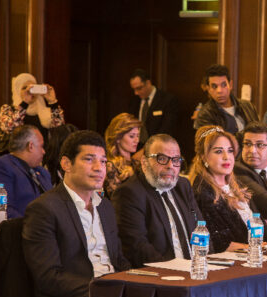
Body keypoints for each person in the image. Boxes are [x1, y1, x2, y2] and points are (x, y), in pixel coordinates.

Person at [23, 130, 130, 297]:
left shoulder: (105, 207)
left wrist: (137, 281)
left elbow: (118, 260)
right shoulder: (45, 209)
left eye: (103, 161)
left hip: (111, 296)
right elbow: (49, 277)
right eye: (89, 160)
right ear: (66, 164)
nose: (99, 168)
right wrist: (104, 289)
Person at [112, 134, 203, 267]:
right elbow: (137, 247)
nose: (170, 166)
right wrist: (173, 270)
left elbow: (200, 228)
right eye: (162, 159)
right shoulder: (130, 193)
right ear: (144, 162)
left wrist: (206, 262)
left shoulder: (183, 186)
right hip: (162, 273)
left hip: (195, 269)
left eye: (176, 160)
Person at [188, 126, 255, 252]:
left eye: (230, 151)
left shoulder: (235, 184)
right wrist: (259, 247)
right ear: (204, 157)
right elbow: (219, 244)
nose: (226, 157)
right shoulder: (202, 192)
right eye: (218, 151)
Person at [0, 125, 52, 218]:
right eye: (41, 146)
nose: (43, 151)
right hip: (24, 224)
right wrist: (32, 225)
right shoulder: (0, 168)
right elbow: (2, 209)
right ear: (30, 146)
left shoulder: (41, 171)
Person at [0, 73, 64, 154]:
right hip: (18, 157)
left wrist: (52, 102)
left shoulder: (44, 110)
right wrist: (25, 103)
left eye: (32, 87)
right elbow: (10, 128)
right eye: (24, 88)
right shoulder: (8, 109)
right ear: (17, 90)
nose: (29, 91)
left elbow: (60, 128)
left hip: (42, 156)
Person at [194, 64, 259, 133]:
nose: (219, 91)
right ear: (208, 89)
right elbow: (214, 139)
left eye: (223, 85)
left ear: (230, 85)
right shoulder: (205, 115)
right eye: (214, 86)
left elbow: (259, 131)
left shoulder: (247, 106)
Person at [128, 69, 179, 143]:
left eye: (139, 88)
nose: (136, 93)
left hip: (157, 144)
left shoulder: (167, 100)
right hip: (136, 144)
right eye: (134, 89)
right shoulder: (134, 101)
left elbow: (167, 129)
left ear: (148, 83)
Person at [103, 113, 143, 196]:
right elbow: (116, 198)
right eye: (132, 136)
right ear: (118, 138)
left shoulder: (137, 163)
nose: (137, 140)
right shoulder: (110, 166)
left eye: (138, 136)